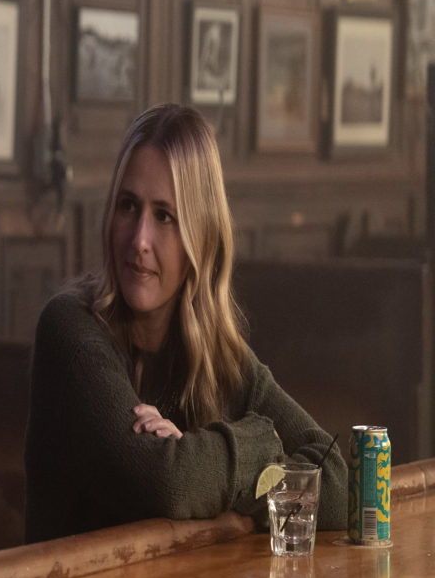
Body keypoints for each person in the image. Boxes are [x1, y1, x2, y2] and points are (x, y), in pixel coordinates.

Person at [24, 103, 347, 543]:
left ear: (202, 235)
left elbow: (338, 484)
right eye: (128, 206)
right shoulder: (70, 329)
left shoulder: (221, 358)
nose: (139, 239)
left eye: (164, 216)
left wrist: (208, 465)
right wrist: (259, 446)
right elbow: (166, 483)